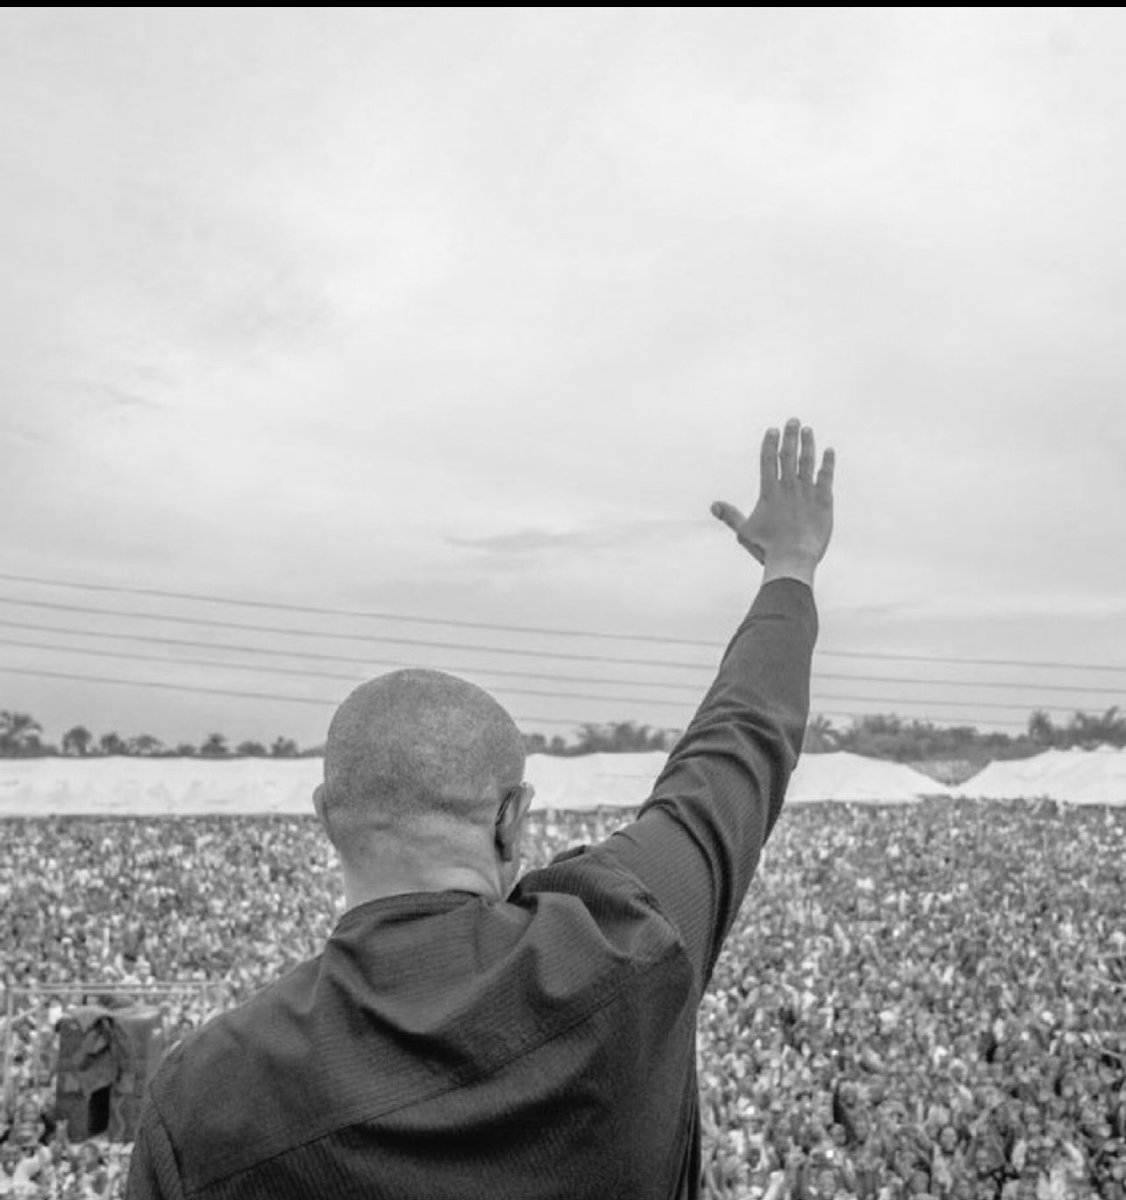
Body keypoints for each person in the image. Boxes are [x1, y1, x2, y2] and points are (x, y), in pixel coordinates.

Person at [125, 418, 836, 1200]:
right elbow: (732, 758)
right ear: (512, 819)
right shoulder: (620, 944)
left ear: (327, 818)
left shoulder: (205, 1096)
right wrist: (790, 568)